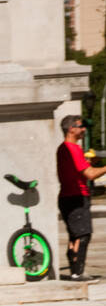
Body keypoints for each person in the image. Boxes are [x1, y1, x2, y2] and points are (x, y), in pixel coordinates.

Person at [57, 115, 105, 280]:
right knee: (83, 234)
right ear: (71, 129)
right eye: (80, 126)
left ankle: (75, 271)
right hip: (76, 197)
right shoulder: (72, 148)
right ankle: (77, 273)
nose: (84, 129)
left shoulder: (64, 148)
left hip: (67, 197)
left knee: (75, 235)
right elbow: (90, 174)